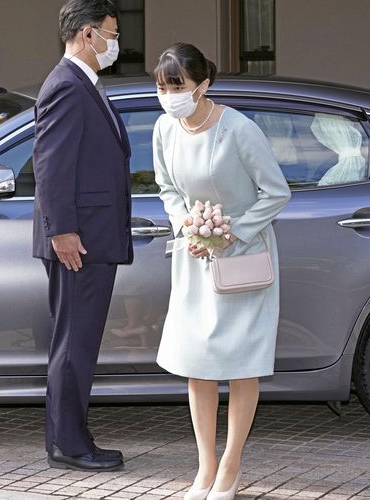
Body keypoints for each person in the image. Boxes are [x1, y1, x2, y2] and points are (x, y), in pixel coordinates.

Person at [152, 43, 291, 500]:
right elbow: (167, 187)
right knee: (198, 365)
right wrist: (187, 226)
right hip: (195, 256)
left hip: (243, 256)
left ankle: (230, 467)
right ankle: (204, 468)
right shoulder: (164, 129)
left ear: (202, 85)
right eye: (163, 86)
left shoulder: (238, 129)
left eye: (178, 87)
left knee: (241, 364)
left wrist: (232, 232)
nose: (169, 95)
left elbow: (275, 192)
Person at [32, 0, 132, 472]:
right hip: (79, 241)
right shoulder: (68, 86)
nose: (117, 43)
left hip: (89, 236)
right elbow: (51, 166)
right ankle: (69, 445)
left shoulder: (84, 84)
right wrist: (64, 231)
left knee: (78, 342)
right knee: (74, 342)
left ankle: (69, 437)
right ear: (88, 34)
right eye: (112, 33)